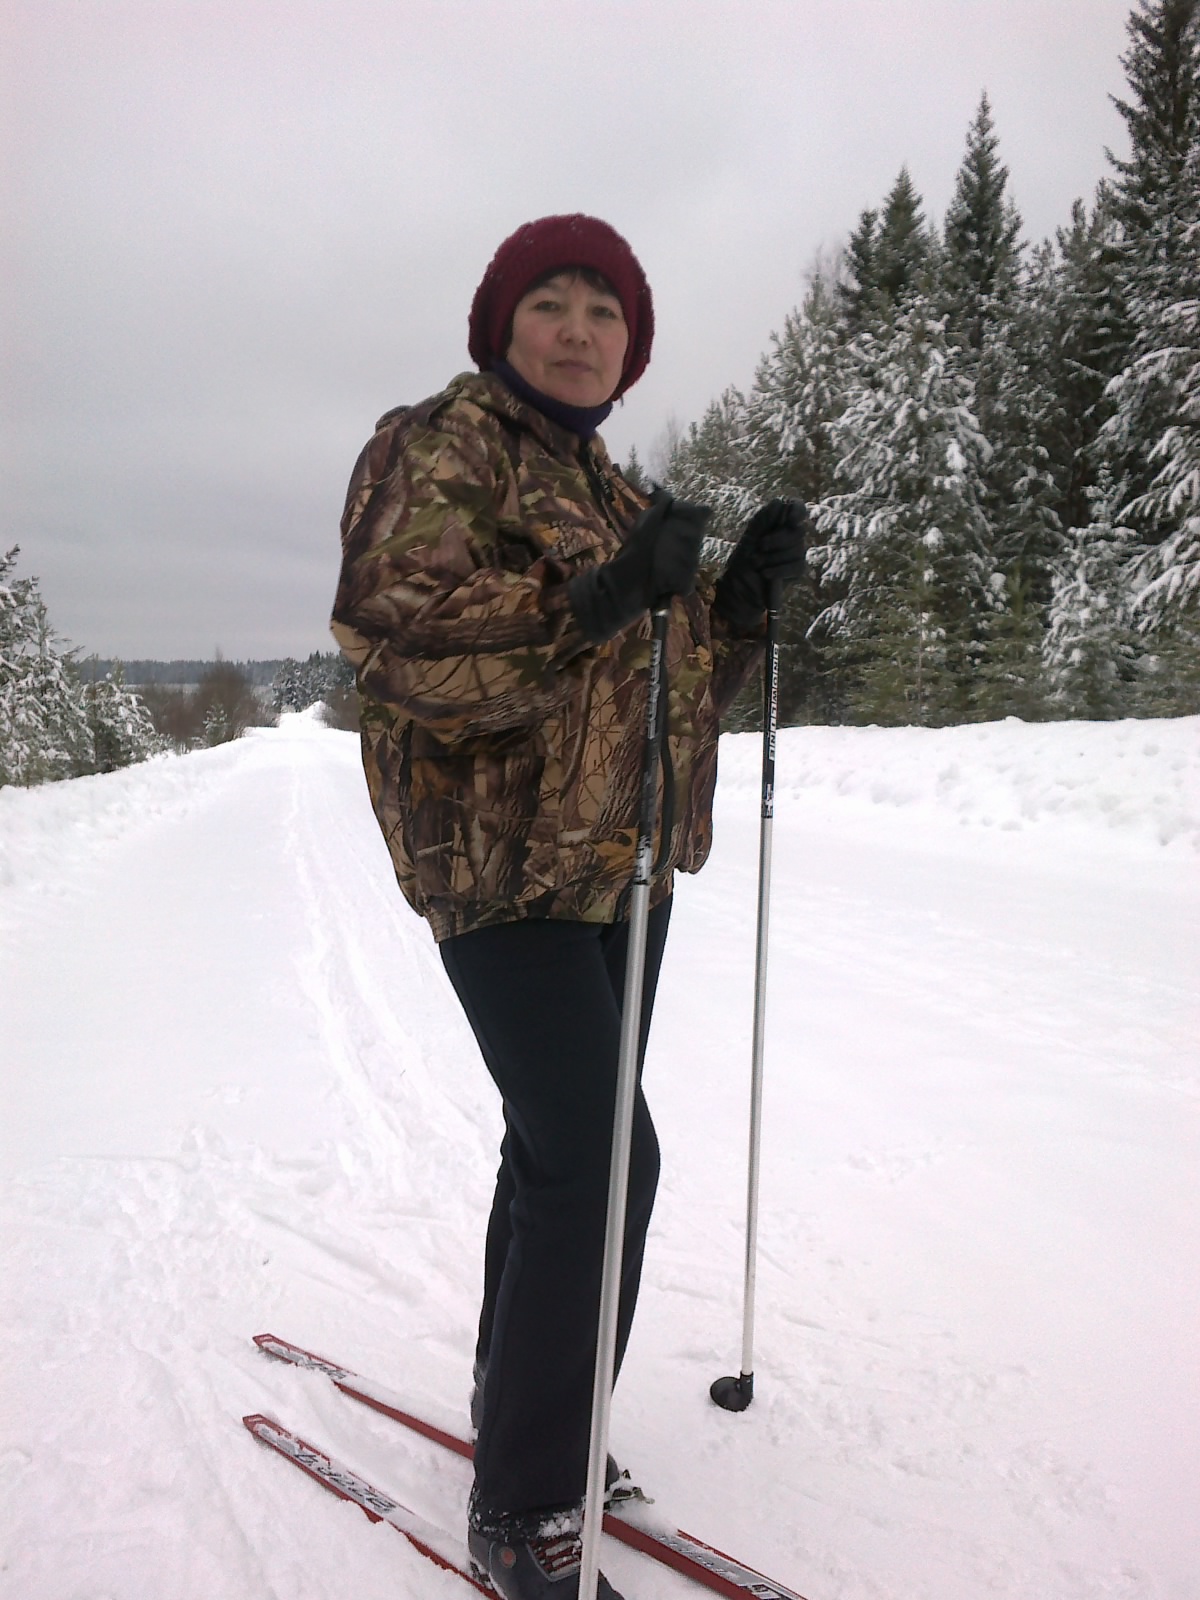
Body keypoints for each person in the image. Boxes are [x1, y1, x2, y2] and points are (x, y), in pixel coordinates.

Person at [331, 213, 806, 1600]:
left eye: (607, 312)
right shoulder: (443, 444)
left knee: (558, 1155)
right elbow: (399, 643)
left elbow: (658, 694)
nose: (581, 330)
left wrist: (736, 612)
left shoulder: (607, 483)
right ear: (504, 324)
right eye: (554, 301)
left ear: (629, 348)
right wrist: (593, 602)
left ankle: (521, 1407)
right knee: (605, 1162)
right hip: (500, 867)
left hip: (618, 868)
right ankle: (531, 1496)